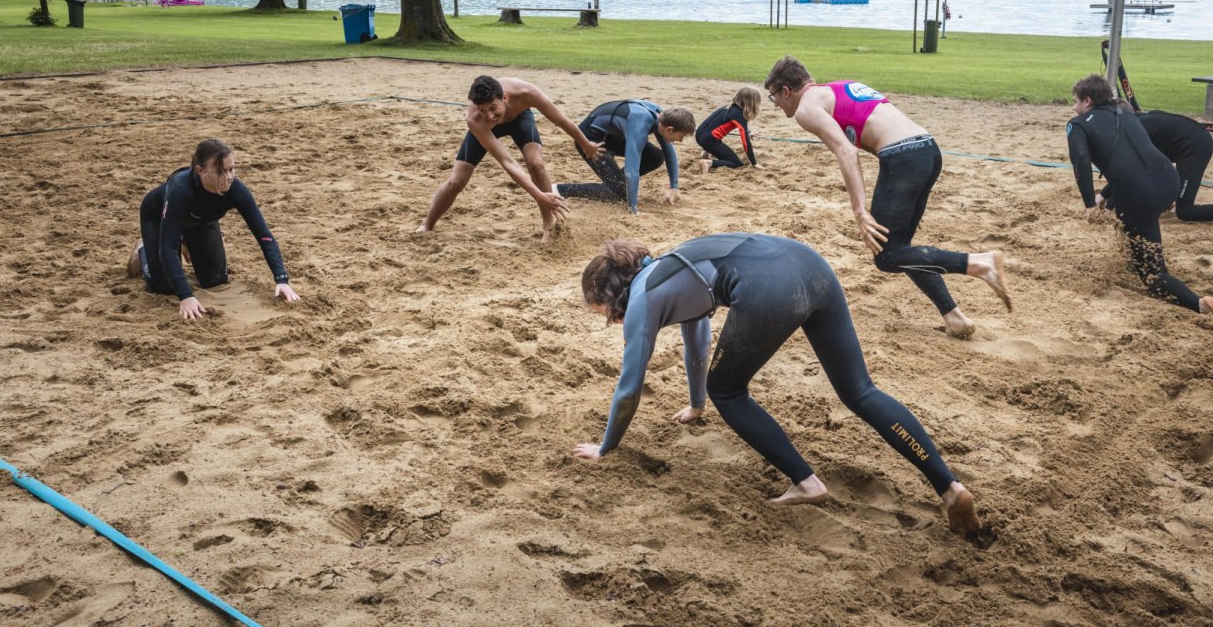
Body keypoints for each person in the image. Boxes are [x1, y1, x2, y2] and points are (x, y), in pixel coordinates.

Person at [572, 233, 982, 541]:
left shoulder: (641, 300)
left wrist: (607, 445)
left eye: (604, 312)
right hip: (809, 264)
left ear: (613, 293)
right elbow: (696, 337)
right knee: (859, 391)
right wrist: (697, 405)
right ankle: (949, 487)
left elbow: (630, 386)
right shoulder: (673, 266)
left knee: (729, 392)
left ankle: (806, 483)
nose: (610, 319)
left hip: (770, 288)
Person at [762, 55, 1010, 339]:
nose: (777, 105)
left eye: (774, 98)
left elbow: (846, 151)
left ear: (786, 91)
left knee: (887, 255)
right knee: (901, 248)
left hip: (902, 157)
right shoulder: (840, 87)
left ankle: (981, 263)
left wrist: (859, 211)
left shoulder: (807, 108)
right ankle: (953, 317)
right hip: (928, 150)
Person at [1066, 75, 1213, 319]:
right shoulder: (1126, 113)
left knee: (1153, 277)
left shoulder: (1077, 125)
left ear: (1087, 101)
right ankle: (1136, 252)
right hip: (1168, 181)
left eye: (1076, 102)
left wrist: (1090, 203)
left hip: (1138, 195)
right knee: (1133, 223)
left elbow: (1080, 160)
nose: (1073, 107)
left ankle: (1201, 304)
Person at [126, 138, 300, 320]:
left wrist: (282, 279)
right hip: (160, 219)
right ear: (200, 171)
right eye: (220, 171)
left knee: (215, 280)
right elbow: (167, 248)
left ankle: (185, 243)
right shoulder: (180, 189)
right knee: (163, 286)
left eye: (231, 169)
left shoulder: (236, 189)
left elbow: (263, 235)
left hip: (201, 222)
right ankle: (143, 248)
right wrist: (186, 296)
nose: (229, 177)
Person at [417, 75, 603, 239]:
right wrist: (539, 196)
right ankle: (428, 224)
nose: (489, 115)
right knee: (456, 182)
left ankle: (549, 226)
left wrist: (585, 144)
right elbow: (507, 162)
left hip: (519, 119)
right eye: (482, 110)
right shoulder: (476, 119)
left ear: (504, 98)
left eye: (493, 108)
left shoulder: (526, 92)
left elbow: (559, 118)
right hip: (485, 132)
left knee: (536, 164)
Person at [1098, 109, 1213, 230]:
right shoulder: (1138, 121)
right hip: (1187, 142)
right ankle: (1169, 201)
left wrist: (1106, 203)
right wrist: (1104, 197)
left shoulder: (1135, 130)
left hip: (1194, 147)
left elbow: (1127, 172)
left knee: (1185, 211)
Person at [556, 100, 694, 214]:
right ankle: (559, 189)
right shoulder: (641, 123)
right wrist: (633, 209)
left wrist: (673, 187)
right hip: (590, 141)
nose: (680, 141)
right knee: (620, 194)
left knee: (656, 157)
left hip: (613, 135)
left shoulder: (661, 117)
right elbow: (631, 171)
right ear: (670, 129)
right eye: (681, 137)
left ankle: (615, 183)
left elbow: (669, 152)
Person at [697, 87, 763, 172]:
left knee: (711, 132)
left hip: (699, 135)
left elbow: (742, 126)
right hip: (709, 141)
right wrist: (754, 163)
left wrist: (749, 132)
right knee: (736, 163)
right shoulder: (739, 116)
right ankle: (708, 163)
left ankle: (705, 152)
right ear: (752, 103)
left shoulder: (728, 107)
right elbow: (745, 143)